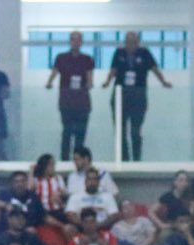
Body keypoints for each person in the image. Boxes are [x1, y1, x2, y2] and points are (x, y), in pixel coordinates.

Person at [104, 31, 171, 163]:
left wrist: (163, 82)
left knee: (135, 131)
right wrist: (107, 82)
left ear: (138, 42)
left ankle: (136, 159)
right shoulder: (119, 53)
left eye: (133, 41)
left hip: (138, 97)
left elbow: (154, 68)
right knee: (120, 131)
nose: (130, 44)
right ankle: (123, 159)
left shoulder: (144, 53)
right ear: (125, 42)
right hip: (120, 97)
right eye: (128, 41)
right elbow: (113, 70)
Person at [47, 32, 97, 163]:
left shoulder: (87, 59)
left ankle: (79, 159)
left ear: (81, 42)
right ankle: (64, 159)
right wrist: (49, 82)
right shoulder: (61, 57)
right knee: (67, 131)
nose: (76, 42)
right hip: (67, 102)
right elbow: (54, 72)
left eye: (78, 40)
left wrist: (89, 84)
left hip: (82, 102)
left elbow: (90, 78)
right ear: (70, 41)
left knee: (80, 133)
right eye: (73, 40)